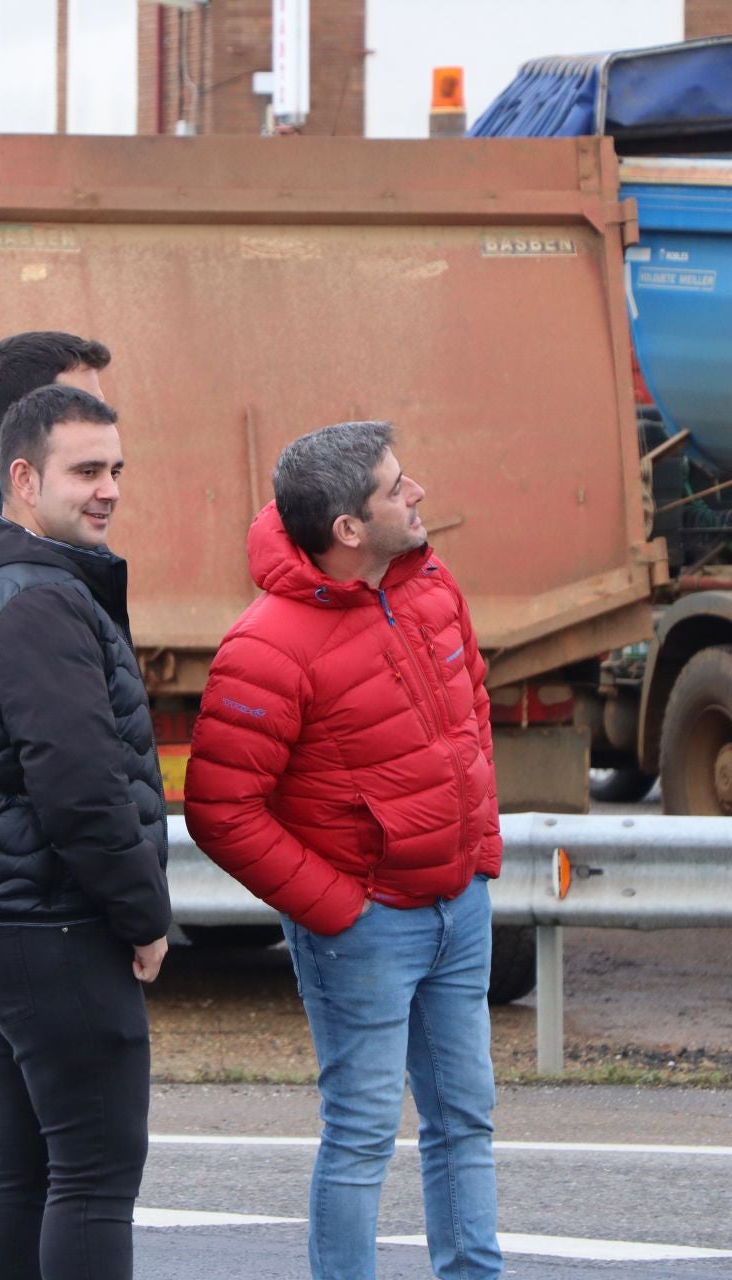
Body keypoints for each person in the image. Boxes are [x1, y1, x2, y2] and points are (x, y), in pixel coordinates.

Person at [184, 422, 503, 1280]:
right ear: (349, 531)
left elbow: (471, 707)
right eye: (397, 487)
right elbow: (220, 809)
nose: (418, 493)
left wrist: (477, 855)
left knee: (466, 1116)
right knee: (363, 1134)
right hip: (365, 928)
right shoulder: (265, 644)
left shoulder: (432, 585)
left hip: (457, 905)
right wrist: (342, 912)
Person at [0, 384, 171, 1280]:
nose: (107, 490)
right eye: (86, 471)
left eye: (116, 471)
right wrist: (142, 914)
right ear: (23, 478)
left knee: (17, 1166)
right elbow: (80, 785)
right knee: (94, 1177)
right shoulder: (39, 599)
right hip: (44, 916)